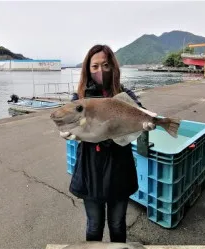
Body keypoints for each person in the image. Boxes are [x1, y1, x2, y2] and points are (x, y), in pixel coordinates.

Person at [59, 44, 155, 242]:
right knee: (94, 225)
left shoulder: (124, 94)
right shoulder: (80, 99)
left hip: (120, 165)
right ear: (88, 69)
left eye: (105, 65)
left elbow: (140, 112)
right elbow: (70, 120)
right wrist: (68, 132)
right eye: (95, 67)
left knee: (118, 223)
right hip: (89, 167)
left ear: (113, 67)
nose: (100, 71)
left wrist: (147, 122)